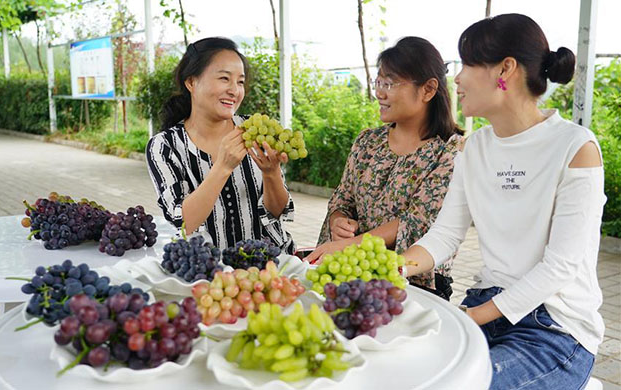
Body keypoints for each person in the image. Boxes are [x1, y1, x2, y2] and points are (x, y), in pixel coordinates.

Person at [403, 14, 604, 389]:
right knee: (408, 372)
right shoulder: (474, 147)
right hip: (486, 304)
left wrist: (469, 317)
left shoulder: (576, 148)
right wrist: (392, 269)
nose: (457, 79)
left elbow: (560, 267)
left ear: (505, 69)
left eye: (467, 64)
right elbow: (445, 235)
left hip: (554, 328)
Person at [304, 37, 464, 300]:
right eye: (378, 82)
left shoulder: (449, 152)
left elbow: (419, 222)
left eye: (388, 83)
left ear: (428, 89)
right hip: (348, 278)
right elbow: (342, 198)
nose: (379, 93)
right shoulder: (368, 141)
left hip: (412, 285)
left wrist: (348, 246)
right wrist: (339, 221)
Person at [146, 37, 295, 253]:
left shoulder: (253, 131)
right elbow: (184, 222)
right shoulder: (164, 146)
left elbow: (277, 212)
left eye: (240, 82)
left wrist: (271, 173)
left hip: (272, 265)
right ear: (191, 82)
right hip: (209, 272)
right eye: (224, 78)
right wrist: (223, 167)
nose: (235, 90)